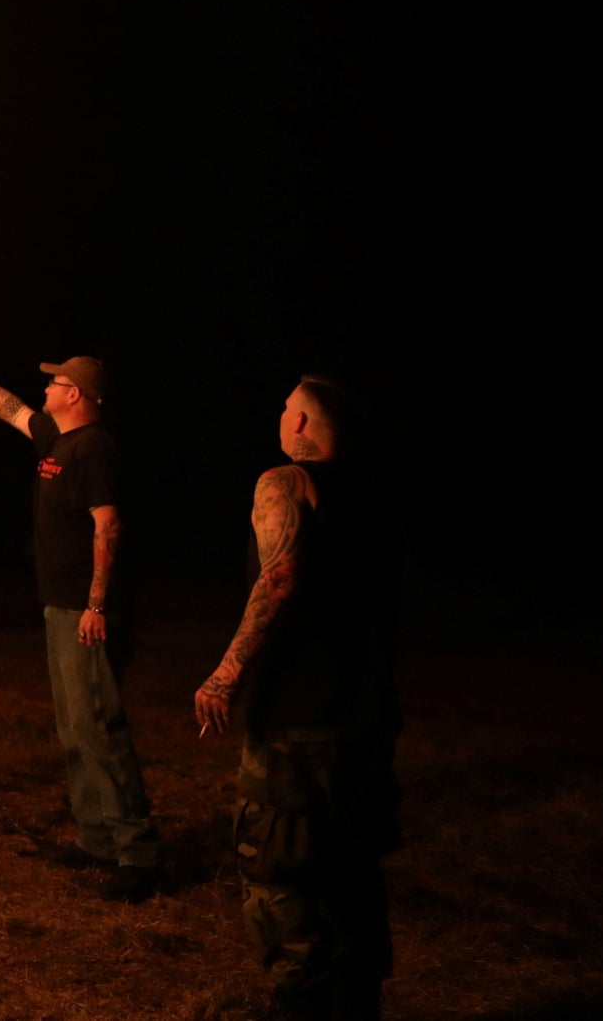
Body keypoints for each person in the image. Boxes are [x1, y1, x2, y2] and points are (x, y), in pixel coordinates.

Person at [195, 376, 400, 1021]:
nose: (280, 419)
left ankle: (302, 1005)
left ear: (304, 425)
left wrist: (225, 674)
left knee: (281, 875)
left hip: (295, 715)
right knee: (354, 872)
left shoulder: (283, 483)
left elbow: (279, 576)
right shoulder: (380, 494)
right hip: (366, 716)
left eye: (286, 409)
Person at [0, 351, 162, 899]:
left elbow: (108, 527)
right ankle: (95, 839)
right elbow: (8, 409)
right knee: (73, 727)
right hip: (58, 604)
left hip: (88, 610)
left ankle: (138, 853)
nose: (45, 390)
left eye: (54, 383)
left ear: (75, 394)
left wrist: (97, 605)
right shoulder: (55, 438)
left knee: (99, 726)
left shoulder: (94, 448)